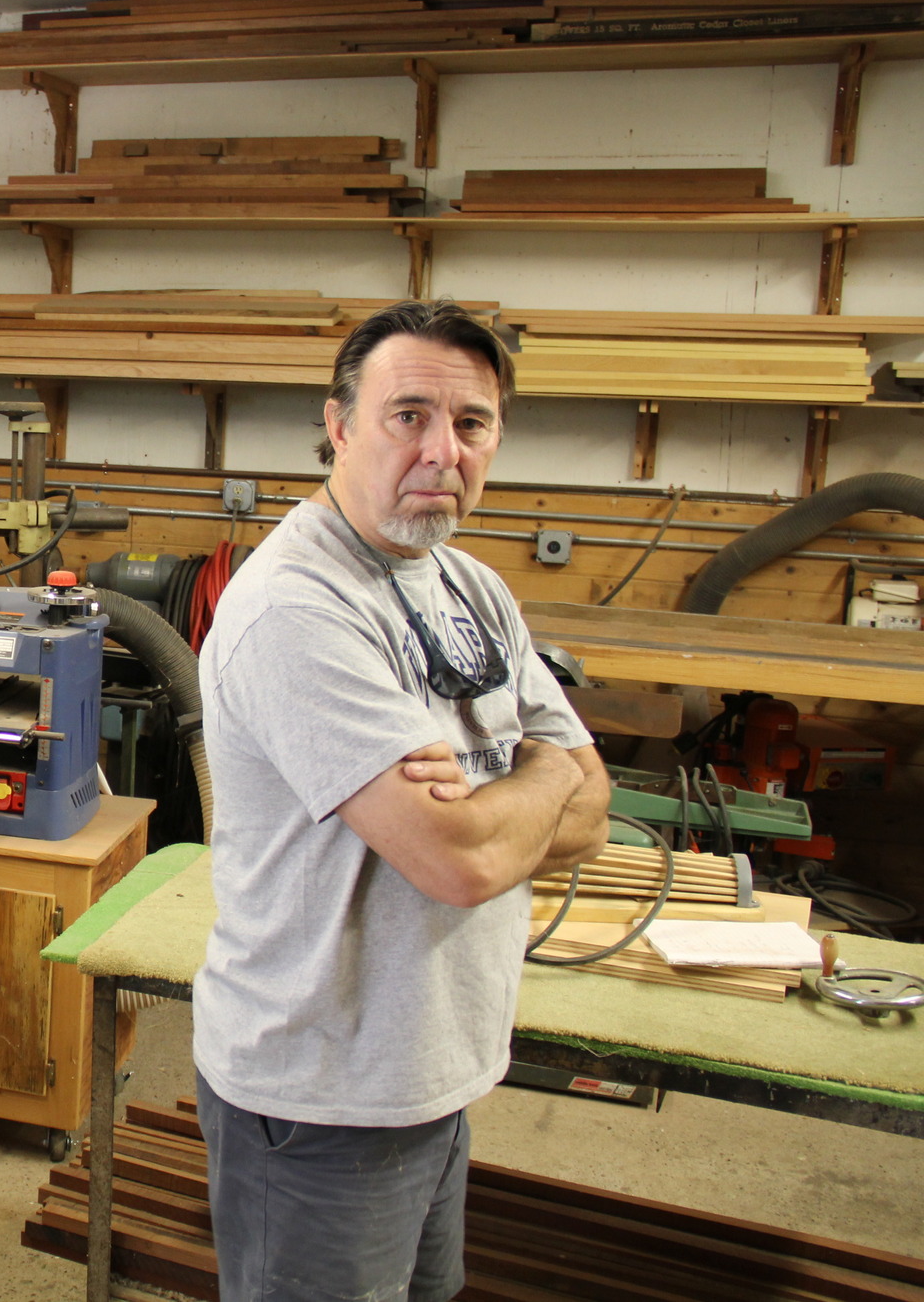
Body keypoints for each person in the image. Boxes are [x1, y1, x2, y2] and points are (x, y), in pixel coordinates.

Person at [193, 299, 611, 1302]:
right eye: (408, 415)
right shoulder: (295, 605)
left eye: (470, 423)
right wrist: (543, 770)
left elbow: (593, 813)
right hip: (318, 1096)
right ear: (338, 426)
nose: (441, 451)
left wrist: (510, 795)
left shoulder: (470, 586)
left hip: (433, 1070)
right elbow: (460, 860)